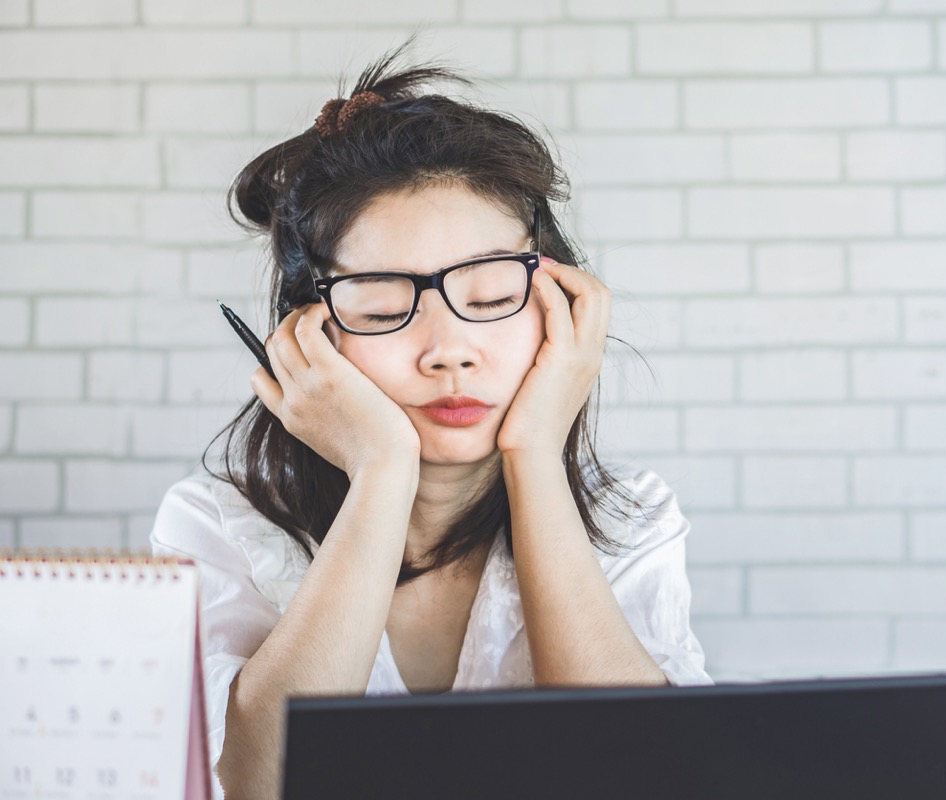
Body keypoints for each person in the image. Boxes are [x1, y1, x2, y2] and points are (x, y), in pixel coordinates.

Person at [148, 45, 711, 799]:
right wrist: (381, 471)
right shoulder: (214, 528)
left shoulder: (633, 521)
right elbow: (251, 784)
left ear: (563, 311)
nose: (450, 353)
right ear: (307, 337)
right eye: (383, 306)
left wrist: (536, 452)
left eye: (488, 297)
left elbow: (651, 778)